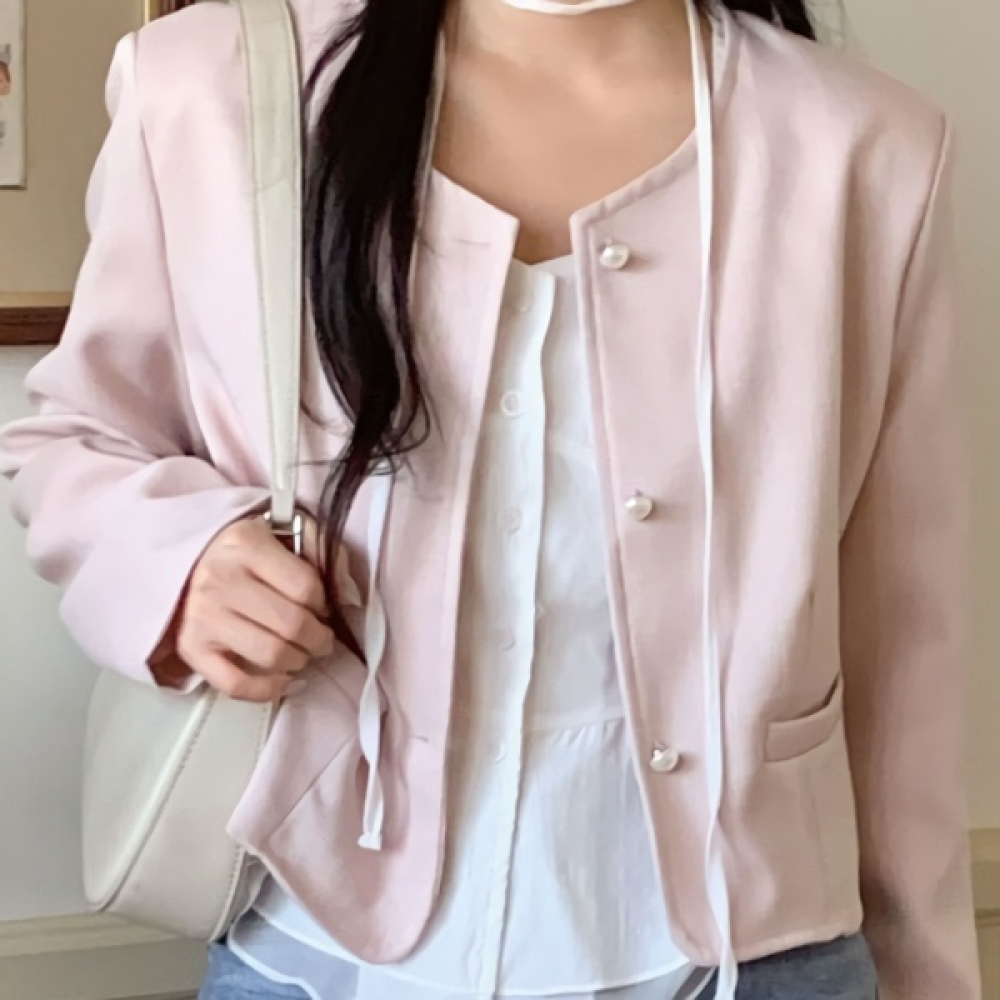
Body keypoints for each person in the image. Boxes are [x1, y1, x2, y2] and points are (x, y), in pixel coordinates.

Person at [0, 0, 980, 997]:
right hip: (315, 941)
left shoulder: (861, 145)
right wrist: (181, 564)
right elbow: (80, 436)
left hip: (753, 953)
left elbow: (903, 635)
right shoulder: (209, 85)